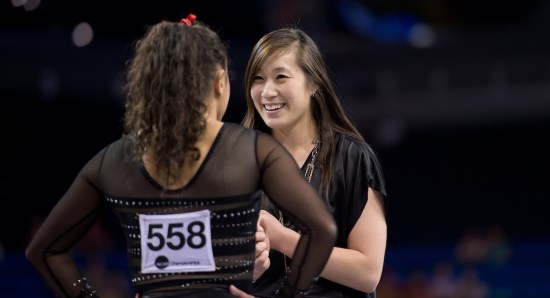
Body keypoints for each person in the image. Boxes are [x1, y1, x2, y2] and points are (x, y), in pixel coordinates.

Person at [25, 14, 337, 298]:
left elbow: (44, 250)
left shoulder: (113, 161)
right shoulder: (254, 150)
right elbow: (321, 229)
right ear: (219, 82)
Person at [241, 27, 388, 297]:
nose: (267, 91)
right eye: (258, 79)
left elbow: (368, 274)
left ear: (314, 84)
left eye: (281, 77)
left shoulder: (350, 157)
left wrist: (285, 240)